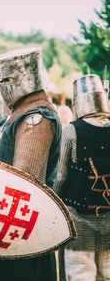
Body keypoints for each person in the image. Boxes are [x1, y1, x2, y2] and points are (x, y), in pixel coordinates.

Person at [0, 47, 62, 281]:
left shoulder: (36, 117)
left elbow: (24, 180)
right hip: (12, 228)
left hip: (21, 230)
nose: (3, 86)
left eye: (7, 80)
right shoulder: (25, 112)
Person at [53, 74, 110, 281]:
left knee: (80, 272)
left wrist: (53, 202)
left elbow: (61, 176)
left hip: (79, 215)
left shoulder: (71, 131)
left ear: (77, 102)